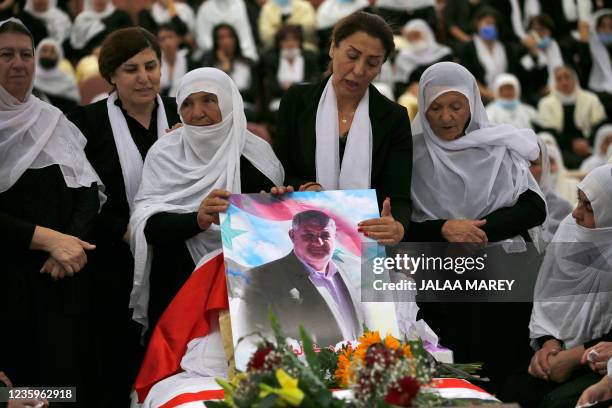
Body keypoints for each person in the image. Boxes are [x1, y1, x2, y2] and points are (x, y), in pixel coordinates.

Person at [409, 61, 547, 393]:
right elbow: (402, 223)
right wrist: (444, 229)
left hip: (502, 277)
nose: (446, 117)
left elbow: (533, 207)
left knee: (503, 372)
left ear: (472, 102)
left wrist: (475, 232)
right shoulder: (411, 156)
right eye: (436, 108)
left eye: (456, 106)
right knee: (453, 375)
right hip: (441, 281)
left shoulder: (495, 146)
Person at [67, 26, 180, 407]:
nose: (144, 77)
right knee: (117, 364)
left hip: (178, 257)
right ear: (111, 76)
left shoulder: (185, 113)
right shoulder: (85, 124)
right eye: (131, 69)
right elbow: (81, 198)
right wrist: (126, 232)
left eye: (151, 66)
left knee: (174, 362)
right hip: (114, 261)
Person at [128, 67, 284, 333]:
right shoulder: (165, 154)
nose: (197, 113)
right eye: (187, 104)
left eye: (208, 100)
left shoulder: (258, 155)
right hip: (180, 291)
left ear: (228, 101)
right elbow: (147, 227)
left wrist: (279, 203)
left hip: (248, 293)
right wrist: (196, 219)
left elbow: (275, 232)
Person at [0, 18, 101, 406]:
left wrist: (69, 248)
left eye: (25, 54)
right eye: (6, 54)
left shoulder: (52, 119)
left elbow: (88, 191)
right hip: (8, 285)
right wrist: (47, 239)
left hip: (60, 281)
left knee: (61, 392)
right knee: (16, 393)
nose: (19, 63)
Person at [274, 11, 412, 245]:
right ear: (332, 48)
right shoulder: (296, 101)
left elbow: (397, 196)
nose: (359, 70)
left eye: (372, 63)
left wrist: (397, 225)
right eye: (352, 55)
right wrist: (304, 186)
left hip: (366, 241)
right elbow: (279, 170)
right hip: (299, 232)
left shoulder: (393, 117)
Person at [505, 164, 612, 407]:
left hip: (601, 361)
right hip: (559, 350)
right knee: (514, 388)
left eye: (590, 207)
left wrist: (574, 358)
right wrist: (548, 344)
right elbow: (549, 294)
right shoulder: (571, 231)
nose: (576, 213)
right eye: (579, 200)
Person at [240, 210, 365, 346]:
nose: (318, 242)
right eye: (309, 235)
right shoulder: (259, 279)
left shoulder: (354, 270)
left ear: (334, 236)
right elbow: (252, 340)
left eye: (325, 235)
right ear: (292, 236)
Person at [537, 65, 607, 168]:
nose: (564, 82)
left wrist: (587, 142)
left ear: (575, 79)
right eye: (559, 78)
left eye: (567, 77)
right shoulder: (546, 103)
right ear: (554, 82)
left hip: (589, 144)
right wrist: (571, 144)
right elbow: (549, 132)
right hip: (561, 148)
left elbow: (600, 124)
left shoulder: (590, 99)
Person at [200, 23, 259, 120]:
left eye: (229, 37)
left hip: (245, 106)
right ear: (216, 42)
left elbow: (252, 92)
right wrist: (225, 67)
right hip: (218, 109)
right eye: (221, 38)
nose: (226, 41)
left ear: (235, 39)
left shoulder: (248, 63)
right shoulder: (210, 66)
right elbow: (211, 93)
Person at [262, 24, 320, 115]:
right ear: (279, 43)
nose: (290, 44)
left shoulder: (309, 57)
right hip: (279, 100)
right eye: (285, 40)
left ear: (300, 42)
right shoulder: (271, 59)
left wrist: (291, 88)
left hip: (304, 100)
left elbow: (313, 81)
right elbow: (271, 85)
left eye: (294, 39)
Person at [528, 136, 573, 252]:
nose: (526, 169)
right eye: (519, 162)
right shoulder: (495, 204)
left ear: (545, 166)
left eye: (533, 163)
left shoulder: (561, 207)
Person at [394, 18, 452, 96]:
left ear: (426, 33)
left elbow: (450, 77)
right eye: (410, 36)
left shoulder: (444, 53)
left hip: (443, 90)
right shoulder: (403, 57)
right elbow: (400, 84)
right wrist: (409, 88)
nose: (413, 39)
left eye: (416, 35)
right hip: (415, 94)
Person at [577, 9, 612, 119]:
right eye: (603, 26)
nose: (607, 31)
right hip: (597, 94)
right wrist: (584, 42)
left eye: (611, 27)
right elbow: (584, 68)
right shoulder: (587, 47)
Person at [33, 38, 79, 112]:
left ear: (58, 55)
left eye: (52, 52)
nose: (48, 55)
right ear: (38, 53)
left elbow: (73, 105)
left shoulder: (68, 81)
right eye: (44, 51)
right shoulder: (30, 79)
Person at [158, 23, 191, 97]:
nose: (167, 42)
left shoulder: (189, 61)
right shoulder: (155, 63)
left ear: (178, 39)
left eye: (170, 37)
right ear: (158, 43)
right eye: (162, 39)